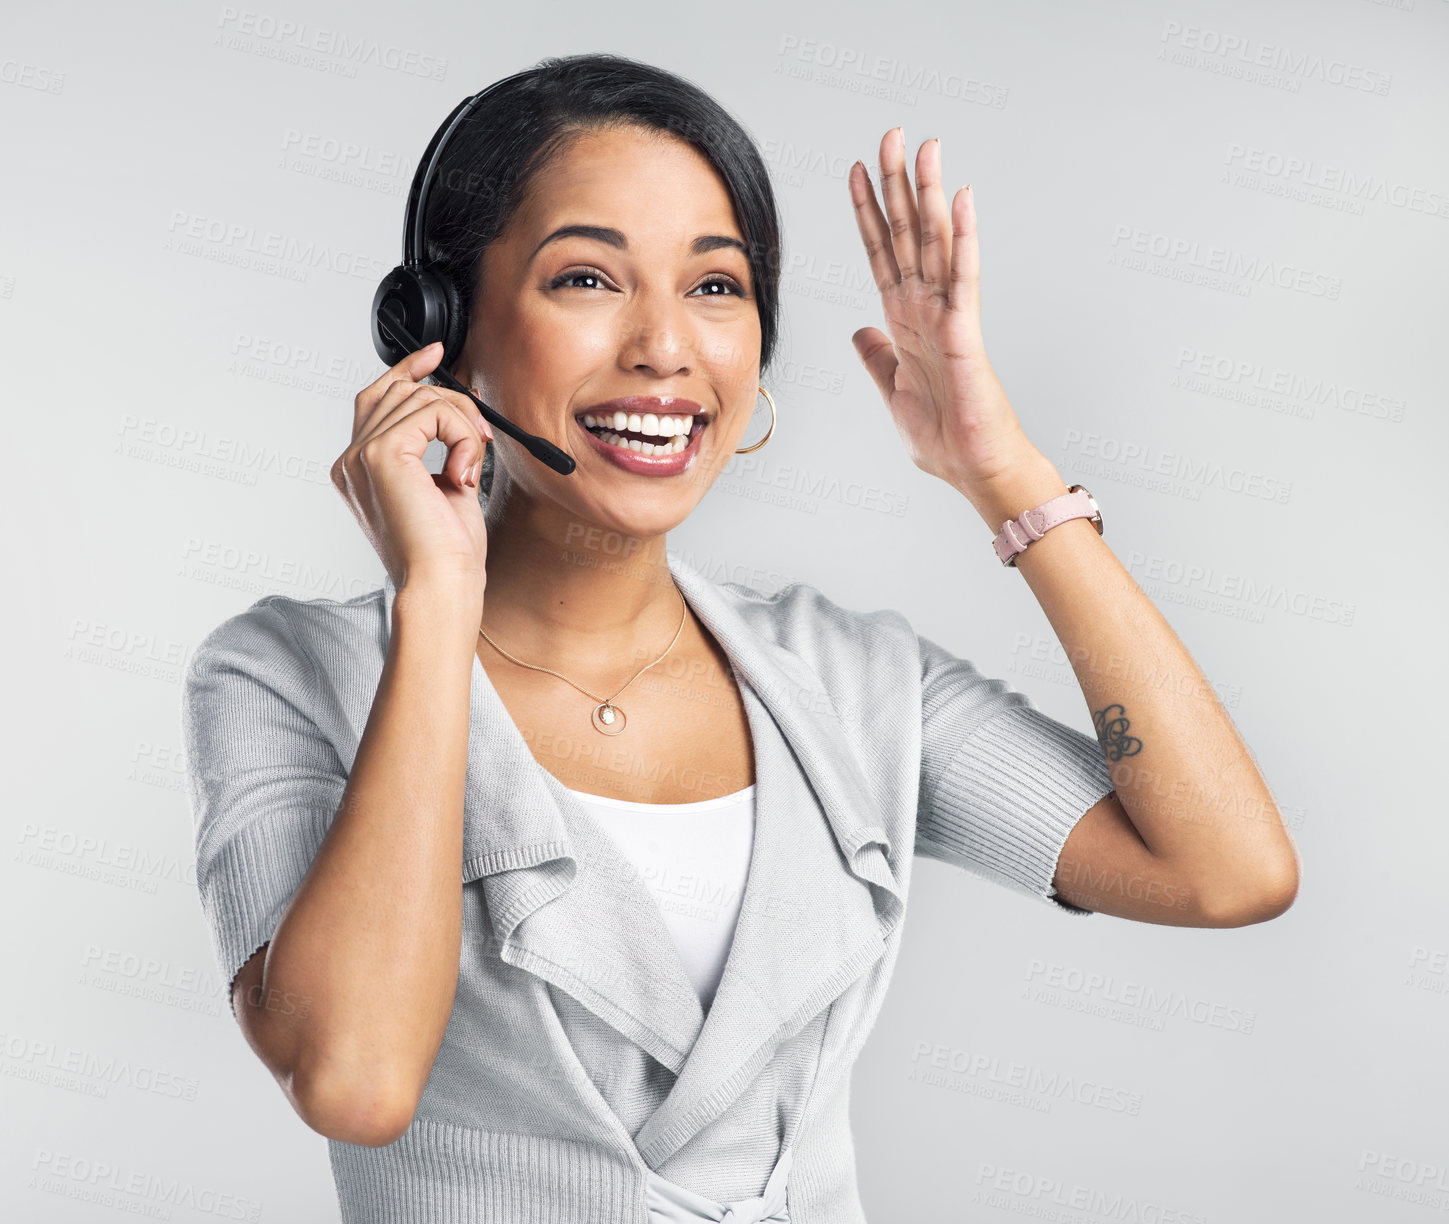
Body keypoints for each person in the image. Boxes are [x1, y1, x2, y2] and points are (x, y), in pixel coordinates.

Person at [181, 52, 1300, 1224]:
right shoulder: (286, 674)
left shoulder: (847, 677)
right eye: (585, 279)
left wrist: (999, 471)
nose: (666, 347)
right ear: (438, 329)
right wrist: (438, 607)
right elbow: (353, 1081)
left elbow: (1226, 871)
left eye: (715, 288)